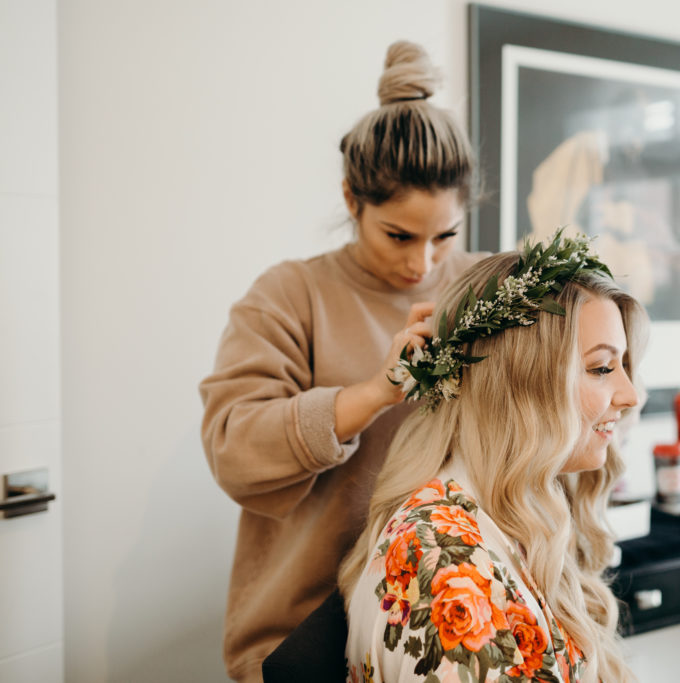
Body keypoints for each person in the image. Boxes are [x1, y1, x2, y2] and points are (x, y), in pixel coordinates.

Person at [199, 40, 483, 683]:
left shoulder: (481, 290)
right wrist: (377, 392)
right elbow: (232, 450)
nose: (423, 265)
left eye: (445, 237)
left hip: (453, 626)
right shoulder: (289, 295)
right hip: (307, 636)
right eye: (399, 236)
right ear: (353, 199)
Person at [339, 232, 647, 682]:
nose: (631, 395)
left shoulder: (518, 514)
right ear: (521, 386)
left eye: (623, 366)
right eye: (602, 368)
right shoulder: (445, 569)